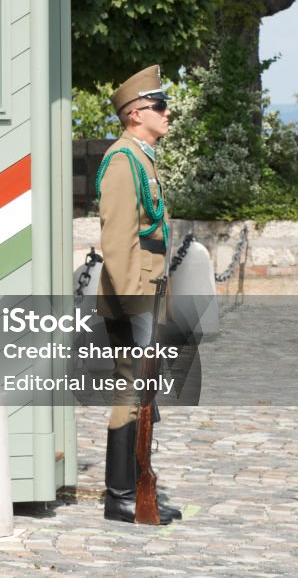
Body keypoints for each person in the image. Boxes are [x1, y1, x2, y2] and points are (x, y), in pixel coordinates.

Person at [95, 64, 181, 524]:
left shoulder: (141, 157)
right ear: (134, 115)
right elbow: (118, 240)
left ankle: (137, 484)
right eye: (159, 106)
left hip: (147, 291)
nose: (167, 113)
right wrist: (134, 307)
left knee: (143, 391)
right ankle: (121, 494)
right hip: (134, 296)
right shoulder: (124, 160)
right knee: (131, 391)